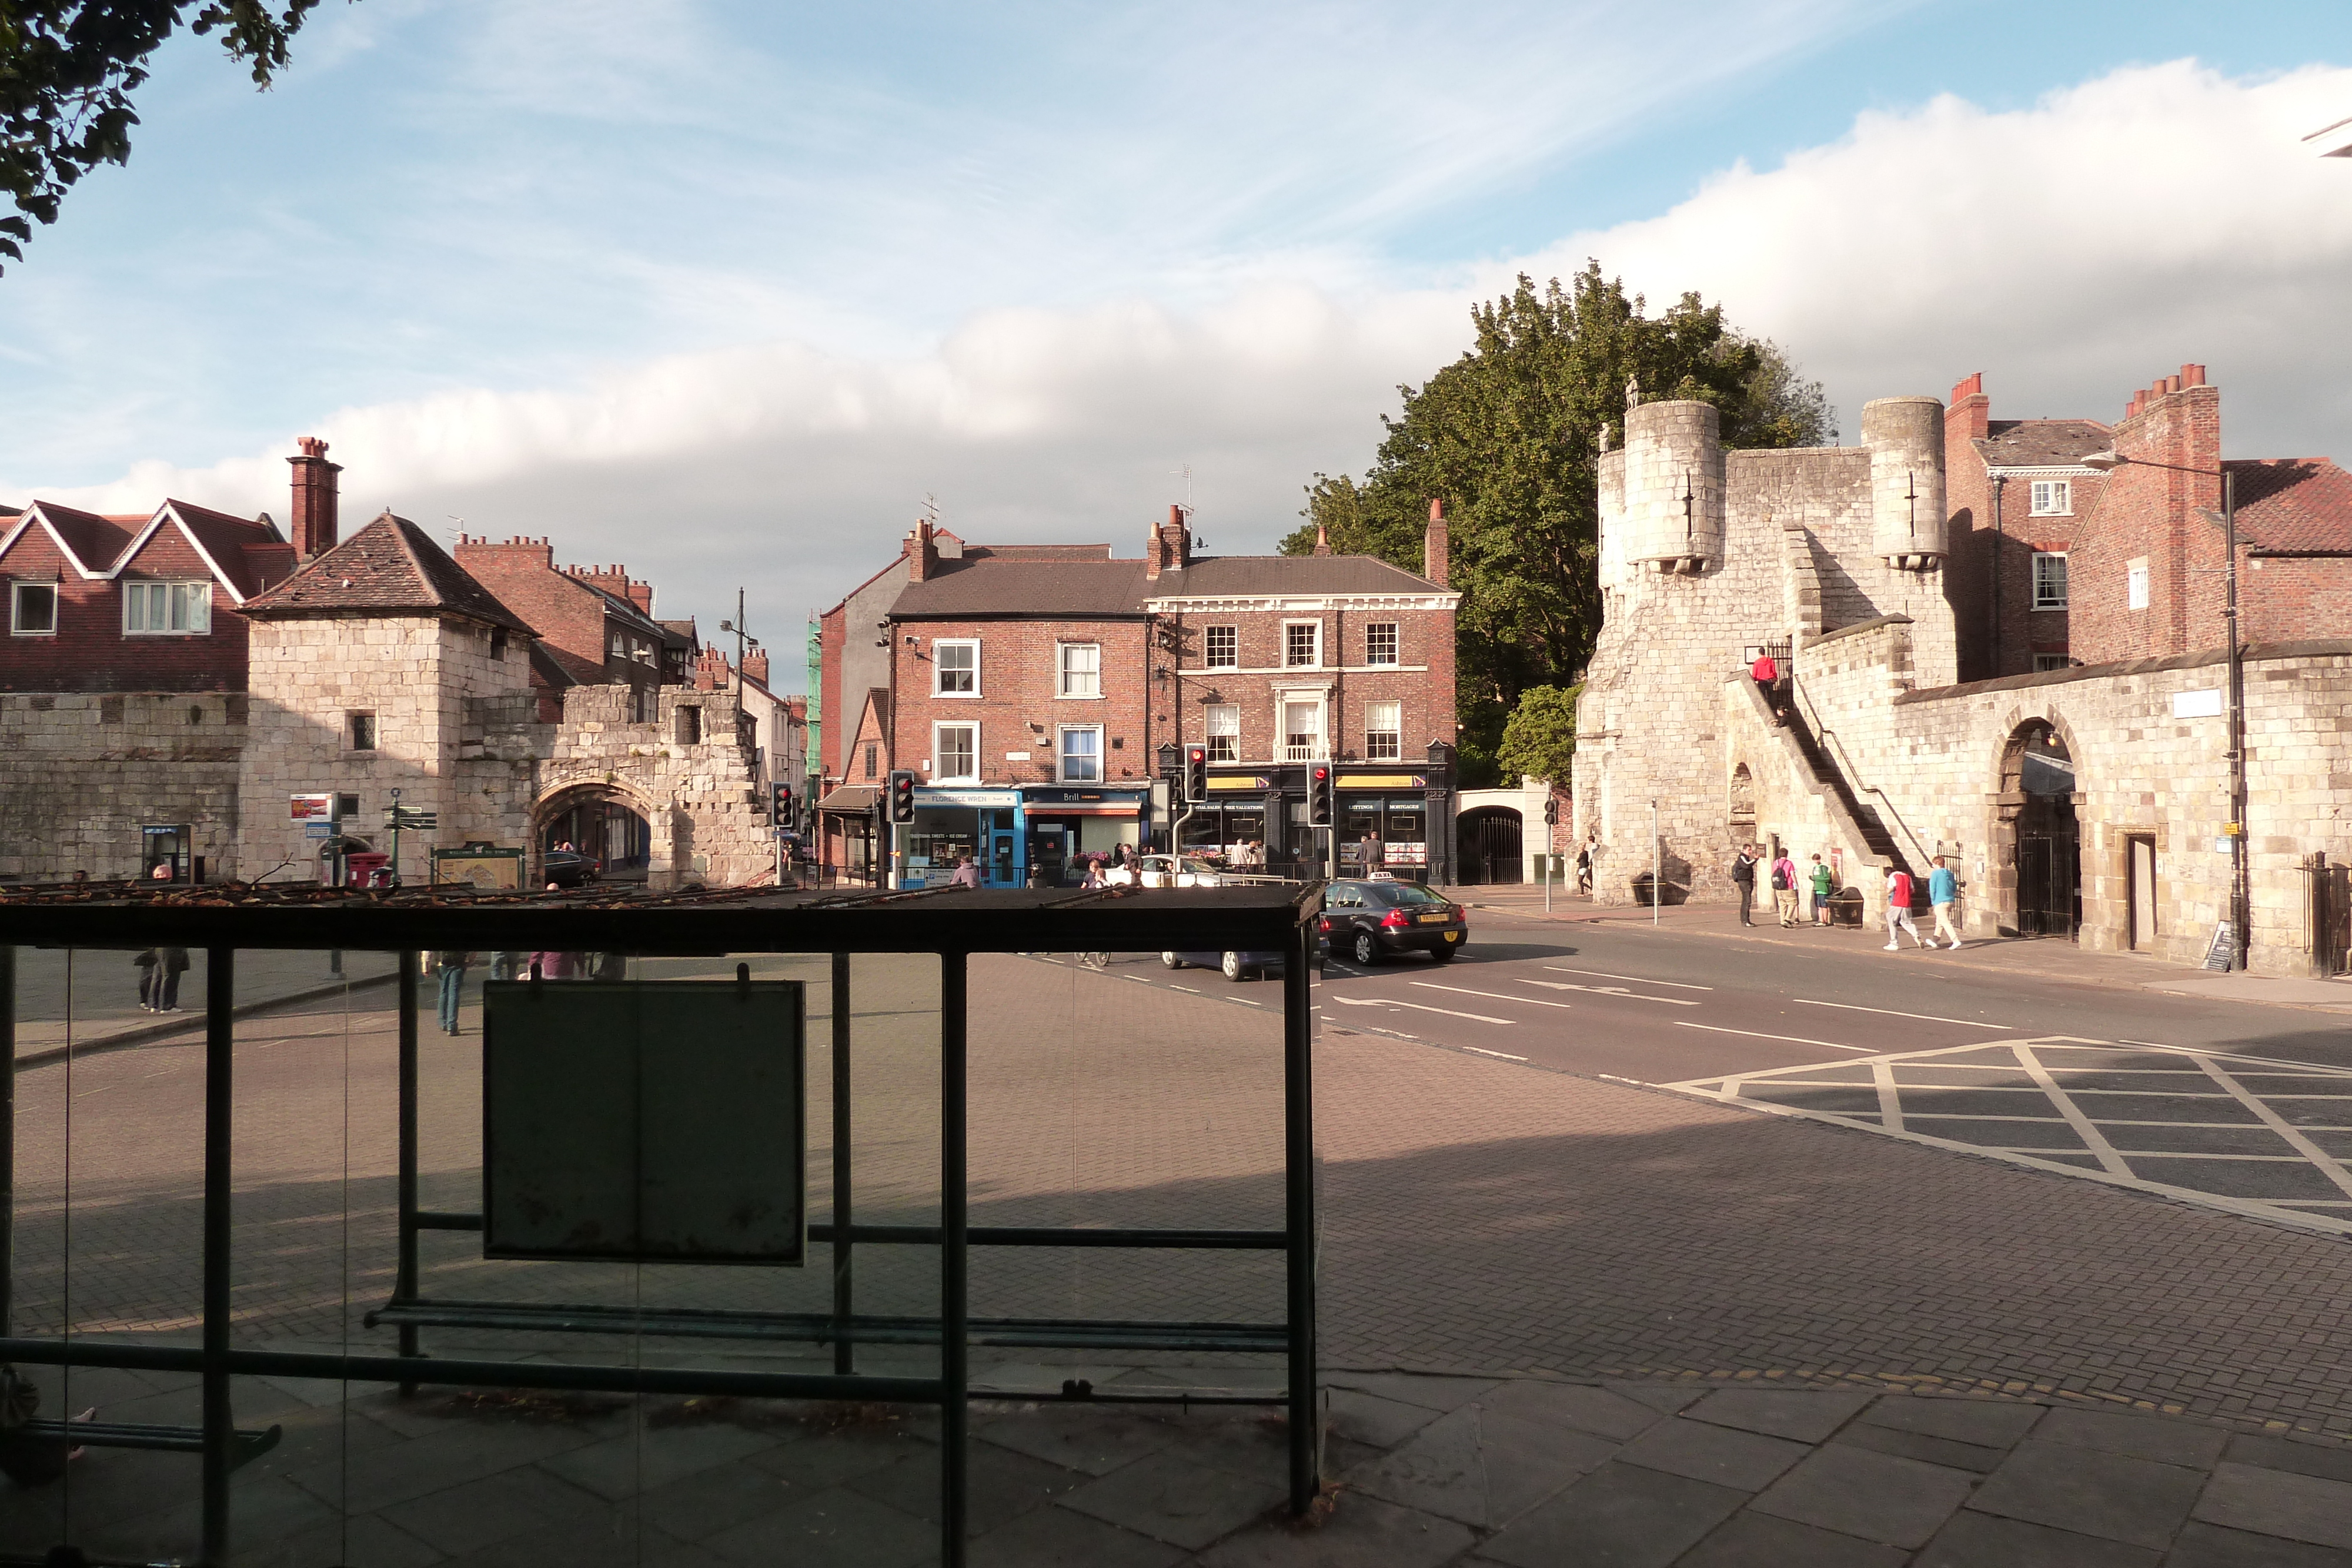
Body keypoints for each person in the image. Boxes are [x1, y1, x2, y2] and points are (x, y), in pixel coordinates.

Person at [1883, 863, 1928, 951]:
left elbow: (1889, 891)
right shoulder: (1907, 876)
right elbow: (1912, 890)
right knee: (1906, 922)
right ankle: (1916, 935)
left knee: (1891, 919)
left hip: (1897, 902)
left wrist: (1885, 885)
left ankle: (1894, 943)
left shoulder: (1893, 876)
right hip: (1907, 903)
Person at [432, 950, 471, 1034]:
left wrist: (426, 962)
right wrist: (470, 960)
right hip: (459, 961)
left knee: (443, 991)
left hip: (442, 962)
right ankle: (452, 1026)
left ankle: (443, 1022)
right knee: (454, 992)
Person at [1929, 855, 1963, 949]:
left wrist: (1933, 902)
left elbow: (1932, 889)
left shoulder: (1935, 874)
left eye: (1933, 864)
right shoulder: (1950, 874)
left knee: (1945, 922)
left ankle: (1955, 940)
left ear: (1937, 863)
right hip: (1950, 900)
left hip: (1940, 901)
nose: (1932, 866)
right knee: (1940, 922)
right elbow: (1954, 888)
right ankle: (1935, 940)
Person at [1730, 844, 1758, 926]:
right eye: (1749, 850)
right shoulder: (1742, 857)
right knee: (1747, 901)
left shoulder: (1746, 857)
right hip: (1744, 881)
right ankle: (1745, 921)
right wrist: (1755, 859)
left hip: (1748, 880)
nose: (1751, 851)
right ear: (1744, 850)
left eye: (1751, 850)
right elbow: (1746, 865)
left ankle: (1746, 920)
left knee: (1746, 901)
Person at [1770, 849, 1799, 927]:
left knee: (1782, 904)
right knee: (1793, 902)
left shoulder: (1775, 863)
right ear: (1787, 854)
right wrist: (1797, 885)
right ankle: (1787, 919)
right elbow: (1792, 875)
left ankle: (1782, 921)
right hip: (1788, 886)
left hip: (1778, 887)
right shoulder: (1789, 863)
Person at [1809, 854, 1835, 927]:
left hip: (1823, 889)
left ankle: (1825, 921)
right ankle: (1821, 920)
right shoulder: (1815, 868)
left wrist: (1815, 878)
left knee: (1824, 905)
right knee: (1819, 906)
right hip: (1817, 889)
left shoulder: (1823, 868)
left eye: (1817, 859)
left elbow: (1827, 878)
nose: (1816, 861)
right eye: (1815, 860)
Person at [1576, 831, 1596, 896]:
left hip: (1585, 867)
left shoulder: (1584, 853)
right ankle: (1582, 892)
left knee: (1580, 881)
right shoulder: (1586, 852)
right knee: (1587, 878)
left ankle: (1591, 888)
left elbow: (1578, 860)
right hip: (1584, 866)